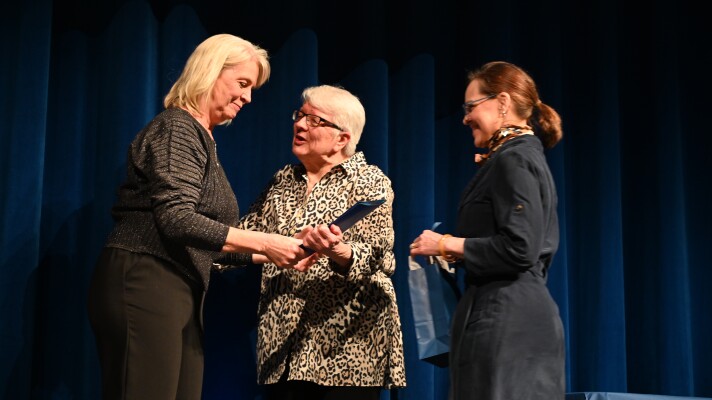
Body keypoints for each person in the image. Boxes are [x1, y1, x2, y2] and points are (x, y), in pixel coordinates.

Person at [87, 34, 312, 400]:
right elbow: (177, 220)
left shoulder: (201, 137)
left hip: (180, 287)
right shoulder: (177, 127)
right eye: (242, 83)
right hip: (146, 278)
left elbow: (206, 241)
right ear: (209, 72)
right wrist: (268, 241)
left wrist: (273, 255)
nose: (248, 97)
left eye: (251, 88)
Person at [234, 84, 406, 400]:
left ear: (342, 138)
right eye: (300, 116)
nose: (299, 125)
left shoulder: (370, 180)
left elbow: (380, 256)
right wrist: (267, 250)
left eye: (315, 120)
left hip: (346, 346)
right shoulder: (283, 180)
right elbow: (242, 240)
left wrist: (338, 250)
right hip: (282, 345)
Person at [409, 61, 565, 400]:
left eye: (470, 107)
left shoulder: (515, 159)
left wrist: (446, 243)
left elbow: (519, 248)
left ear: (503, 103)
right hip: (498, 314)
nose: (465, 117)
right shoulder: (510, 158)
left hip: (509, 321)